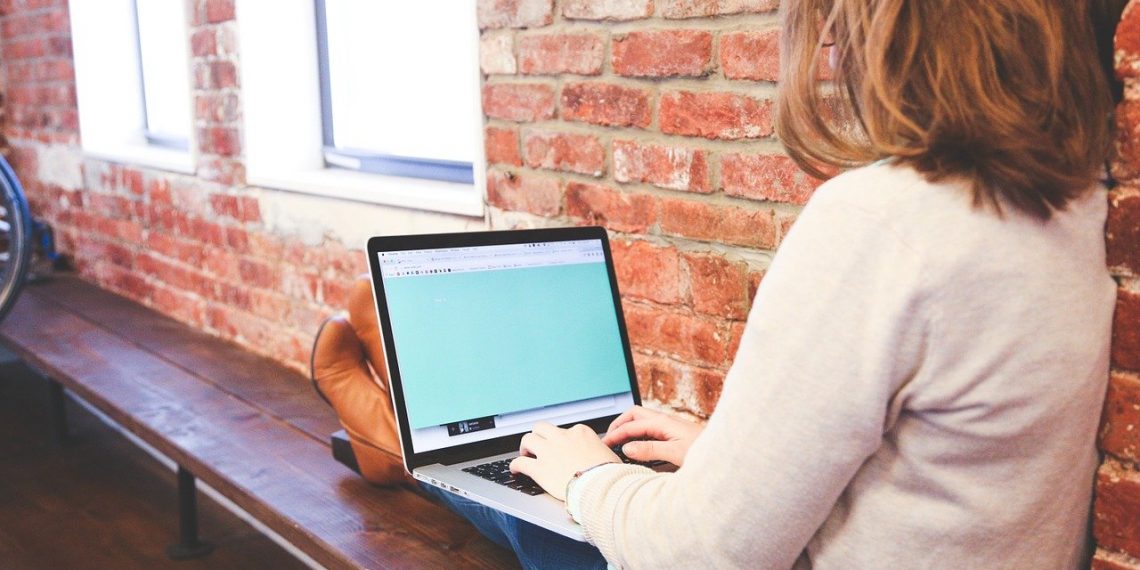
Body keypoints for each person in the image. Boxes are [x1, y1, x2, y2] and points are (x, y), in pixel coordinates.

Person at [312, 0, 1125, 567]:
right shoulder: (1080, 208)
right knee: (581, 469)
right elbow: (938, 476)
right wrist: (730, 459)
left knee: (547, 502)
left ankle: (394, 439)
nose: (831, 43)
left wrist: (588, 476)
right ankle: (410, 431)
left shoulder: (883, 223)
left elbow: (703, 555)